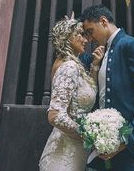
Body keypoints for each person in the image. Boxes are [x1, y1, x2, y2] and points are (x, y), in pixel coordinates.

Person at [80, 4, 134, 171]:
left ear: (103, 22)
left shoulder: (130, 45)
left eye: (90, 31)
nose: (89, 38)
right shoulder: (103, 53)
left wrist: (126, 139)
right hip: (107, 154)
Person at [39, 16, 105, 171]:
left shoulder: (74, 64)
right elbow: (55, 115)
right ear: (68, 37)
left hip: (76, 153)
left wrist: (94, 66)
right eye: (80, 34)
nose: (85, 40)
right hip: (62, 158)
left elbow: (87, 93)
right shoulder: (68, 67)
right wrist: (88, 134)